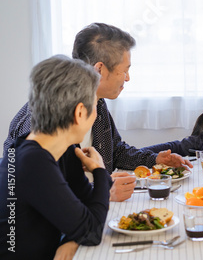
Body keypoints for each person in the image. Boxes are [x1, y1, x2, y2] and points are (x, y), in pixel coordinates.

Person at [3, 23, 192, 202]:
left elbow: (116, 151)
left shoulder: (97, 102)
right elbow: (37, 192)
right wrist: (101, 192)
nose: (127, 78)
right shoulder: (41, 119)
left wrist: (156, 159)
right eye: (125, 70)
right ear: (100, 69)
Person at [0, 55, 111, 260]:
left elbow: (85, 209)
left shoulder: (62, 150)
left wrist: (70, 239)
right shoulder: (33, 163)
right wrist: (100, 171)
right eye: (95, 104)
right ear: (80, 112)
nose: (97, 111)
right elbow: (91, 231)